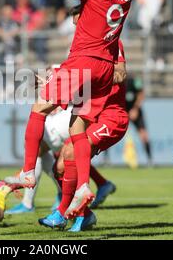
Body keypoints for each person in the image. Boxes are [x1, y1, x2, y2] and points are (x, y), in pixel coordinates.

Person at [4, 0, 142, 220]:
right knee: (77, 126)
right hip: (105, 68)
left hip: (84, 61)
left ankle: (28, 172)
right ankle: (81, 188)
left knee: (39, 108)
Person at [38, 38, 128, 232]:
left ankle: (61, 214)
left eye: (77, 19)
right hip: (90, 116)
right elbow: (79, 85)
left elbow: (120, 75)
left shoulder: (111, 44)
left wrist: (88, 77)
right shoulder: (82, 47)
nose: (76, 26)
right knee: (58, 168)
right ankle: (85, 215)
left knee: (70, 153)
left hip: (111, 117)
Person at [125, 74, 153, 166]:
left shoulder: (134, 80)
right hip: (122, 111)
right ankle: (106, 159)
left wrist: (135, 109)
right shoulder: (115, 82)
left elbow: (141, 94)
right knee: (108, 133)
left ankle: (150, 160)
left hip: (135, 110)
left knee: (143, 135)